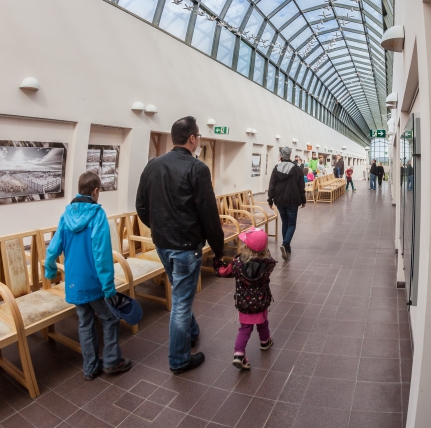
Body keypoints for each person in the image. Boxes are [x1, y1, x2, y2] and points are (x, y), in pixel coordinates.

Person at [136, 116, 224, 374]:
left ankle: (191, 330)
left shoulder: (153, 165)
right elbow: (209, 214)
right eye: (199, 136)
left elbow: (141, 206)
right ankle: (179, 360)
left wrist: (159, 230)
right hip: (186, 247)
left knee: (180, 292)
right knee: (182, 303)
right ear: (193, 138)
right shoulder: (198, 169)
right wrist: (218, 250)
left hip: (162, 244)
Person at [45, 171, 132, 381]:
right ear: (95, 191)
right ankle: (112, 361)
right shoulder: (97, 215)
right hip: (94, 282)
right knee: (110, 318)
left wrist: (50, 270)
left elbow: (52, 249)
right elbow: (102, 256)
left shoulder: (66, 217)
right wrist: (109, 287)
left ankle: (91, 367)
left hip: (74, 282)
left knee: (85, 322)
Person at [216, 229, 276, 370]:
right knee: (262, 322)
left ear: (246, 246)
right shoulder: (268, 264)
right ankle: (265, 341)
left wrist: (218, 266)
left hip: (245, 302)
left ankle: (239, 354)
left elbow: (225, 272)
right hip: (261, 301)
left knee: (245, 329)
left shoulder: (237, 263)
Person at [268, 146, 306, 260]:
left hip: (279, 200)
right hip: (293, 200)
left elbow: (272, 186)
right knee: (292, 224)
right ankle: (285, 244)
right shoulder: (296, 169)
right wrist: (303, 199)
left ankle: (287, 247)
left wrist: (270, 200)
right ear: (289, 156)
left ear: (281, 157)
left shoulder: (276, 168)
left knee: (285, 223)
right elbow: (301, 186)